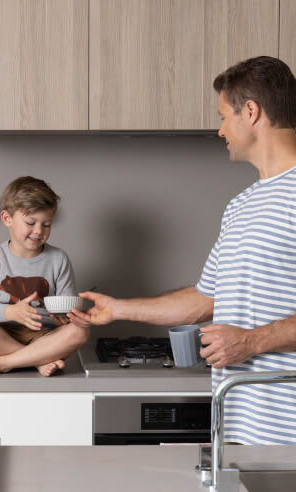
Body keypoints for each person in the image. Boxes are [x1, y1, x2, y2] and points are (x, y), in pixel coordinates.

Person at [70, 56, 296, 445]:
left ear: (251, 112)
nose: (221, 128)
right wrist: (119, 309)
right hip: (240, 431)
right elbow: (204, 298)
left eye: (224, 115)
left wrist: (252, 341)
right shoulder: (241, 206)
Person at [0, 176, 90, 377]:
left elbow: (67, 306)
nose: (38, 231)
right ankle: (36, 361)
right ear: (7, 218)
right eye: (31, 222)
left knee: (80, 331)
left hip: (44, 337)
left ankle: (1, 364)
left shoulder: (58, 259)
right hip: (0, 335)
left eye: (47, 224)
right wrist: (12, 313)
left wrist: (67, 317)